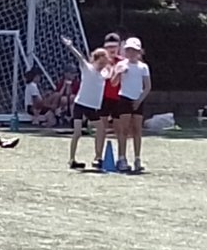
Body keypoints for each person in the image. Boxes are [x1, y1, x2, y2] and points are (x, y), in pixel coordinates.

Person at [61, 37, 110, 170]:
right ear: (96, 59)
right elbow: (80, 57)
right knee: (77, 133)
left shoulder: (105, 72)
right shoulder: (87, 68)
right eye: (101, 62)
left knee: (101, 129)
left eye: (105, 62)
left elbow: (113, 72)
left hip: (93, 107)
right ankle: (72, 159)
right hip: (80, 104)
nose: (103, 65)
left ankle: (98, 157)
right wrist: (70, 46)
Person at [112, 37, 151, 173]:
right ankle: (122, 158)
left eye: (134, 50)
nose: (131, 53)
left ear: (139, 51)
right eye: (129, 50)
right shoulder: (121, 64)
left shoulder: (143, 67)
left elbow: (147, 86)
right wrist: (119, 72)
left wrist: (139, 100)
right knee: (123, 130)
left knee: (137, 130)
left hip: (137, 100)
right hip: (125, 98)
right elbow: (114, 83)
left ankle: (137, 158)